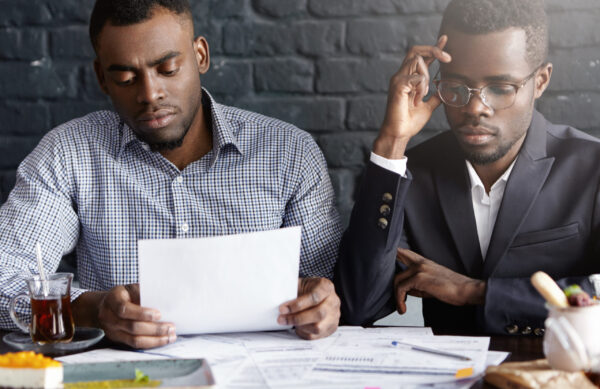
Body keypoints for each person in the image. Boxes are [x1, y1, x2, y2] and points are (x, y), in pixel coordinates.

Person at [0, 0, 342, 348]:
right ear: (103, 78)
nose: (150, 94)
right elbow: (4, 279)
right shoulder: (69, 154)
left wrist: (324, 304)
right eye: (125, 78)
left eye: (168, 69)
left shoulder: (289, 153)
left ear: (201, 56)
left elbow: (324, 284)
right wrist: (95, 309)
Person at [336, 0, 600, 335]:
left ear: (542, 81)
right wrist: (391, 142)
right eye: (456, 87)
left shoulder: (591, 168)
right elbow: (357, 306)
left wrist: (473, 292)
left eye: (501, 88)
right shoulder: (410, 175)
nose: (475, 107)